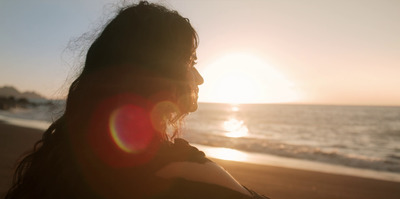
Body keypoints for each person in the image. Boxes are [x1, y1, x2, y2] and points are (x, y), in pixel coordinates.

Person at [6, 1, 269, 199]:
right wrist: (207, 172)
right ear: (155, 74)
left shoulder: (63, 154)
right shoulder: (175, 170)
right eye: (190, 61)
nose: (198, 78)